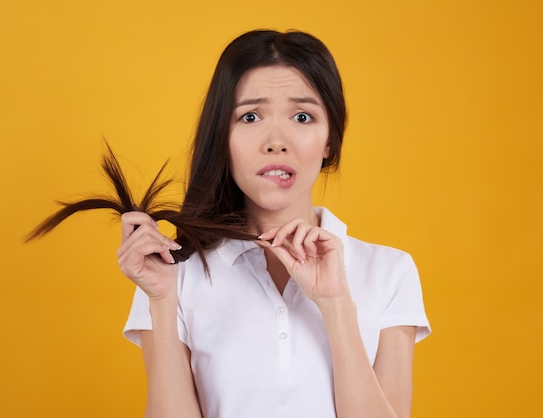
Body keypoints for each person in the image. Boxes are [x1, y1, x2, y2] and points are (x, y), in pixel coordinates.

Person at [119, 29, 430, 418]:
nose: (276, 141)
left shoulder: (388, 272)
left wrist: (335, 304)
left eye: (302, 116)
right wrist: (162, 301)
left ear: (330, 139)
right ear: (222, 137)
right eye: (250, 116)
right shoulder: (172, 274)